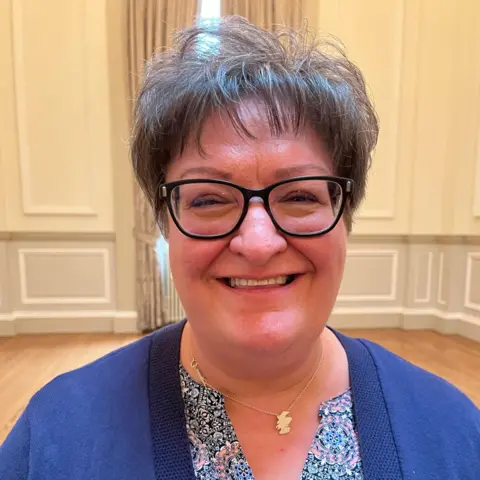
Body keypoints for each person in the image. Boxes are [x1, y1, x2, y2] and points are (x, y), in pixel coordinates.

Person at [1, 16, 479, 480]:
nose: (257, 243)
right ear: (165, 222)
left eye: (298, 196)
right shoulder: (55, 438)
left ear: (345, 215)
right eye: (209, 198)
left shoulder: (454, 432)